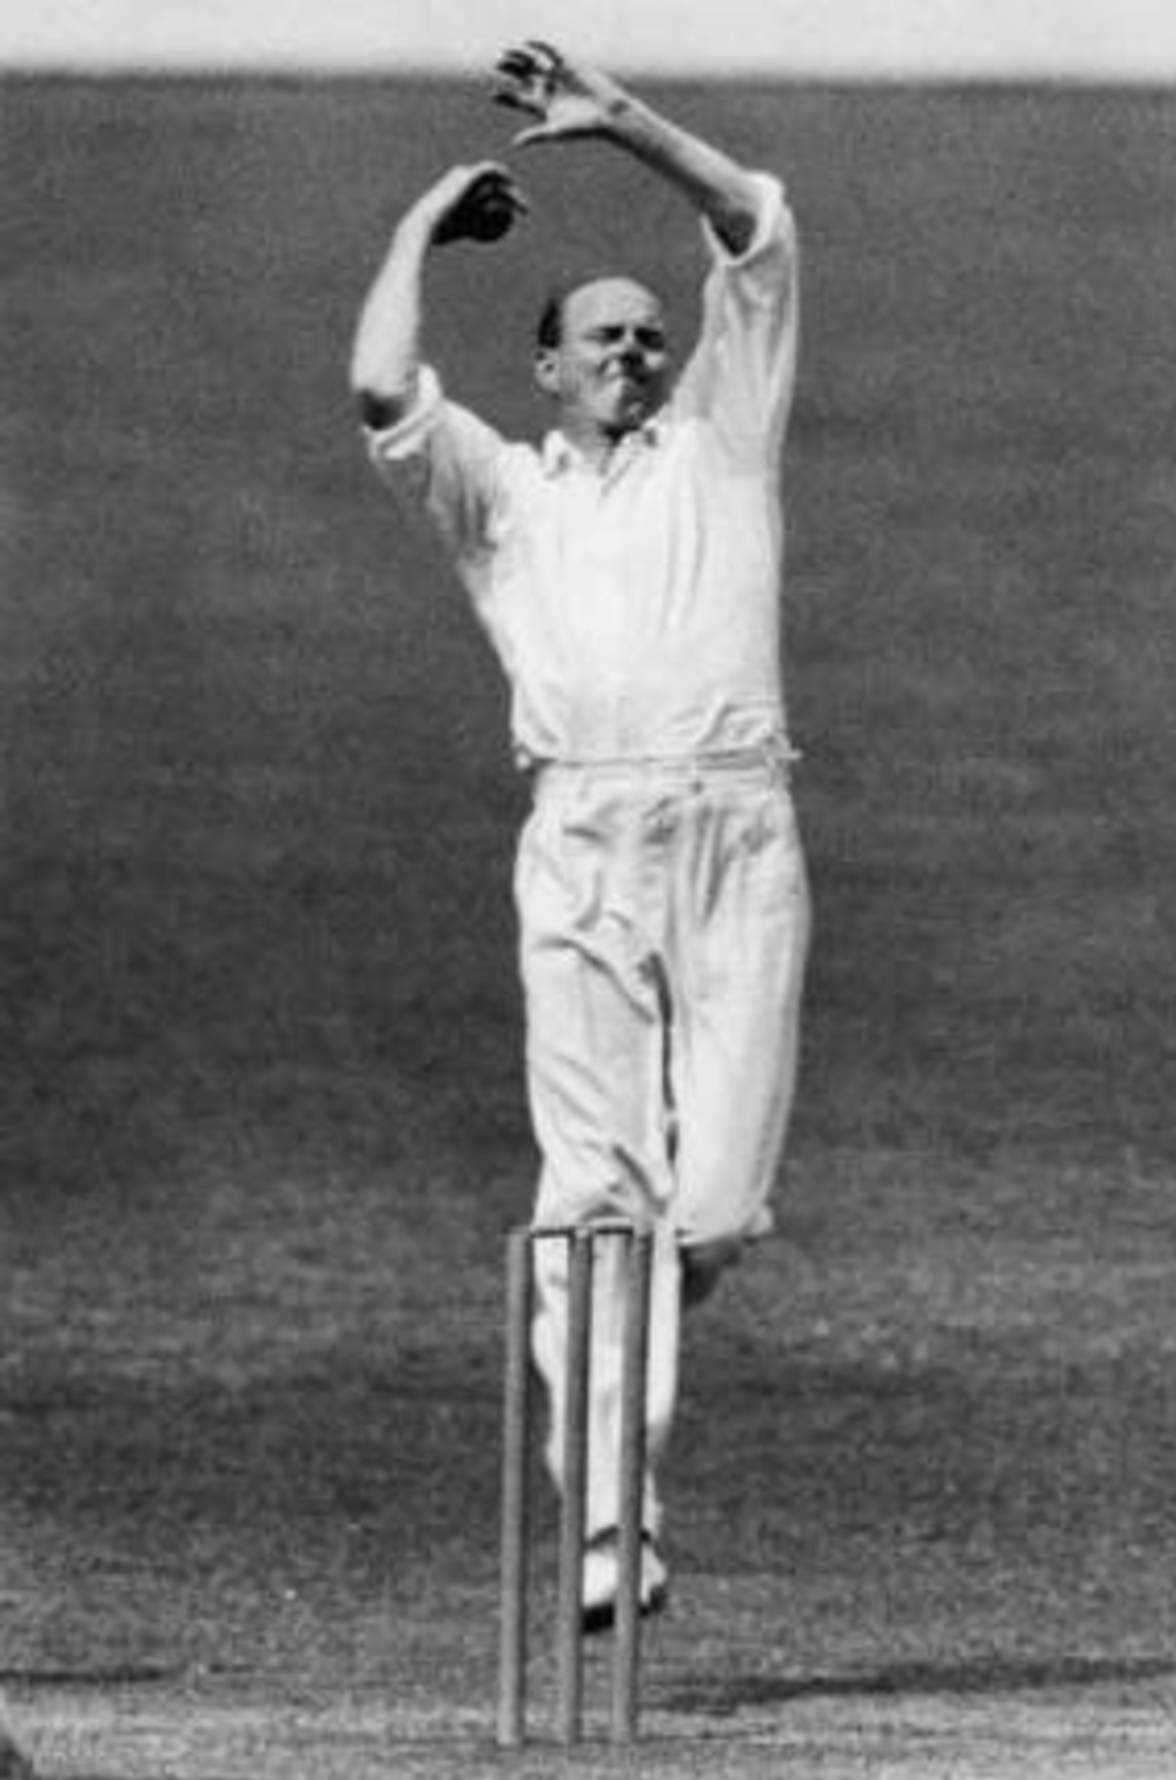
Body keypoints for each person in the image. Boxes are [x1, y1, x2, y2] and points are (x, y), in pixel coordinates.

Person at [350, 39, 810, 1628]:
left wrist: (618, 124)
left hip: (741, 828)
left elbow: (756, 226)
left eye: (650, 334)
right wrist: (420, 224)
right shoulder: (505, 495)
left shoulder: (724, 442)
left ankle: (625, 1404)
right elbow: (377, 391)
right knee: (591, 1201)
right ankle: (615, 1523)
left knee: (712, 1212)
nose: (637, 349)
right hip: (587, 838)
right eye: (603, 336)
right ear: (544, 371)